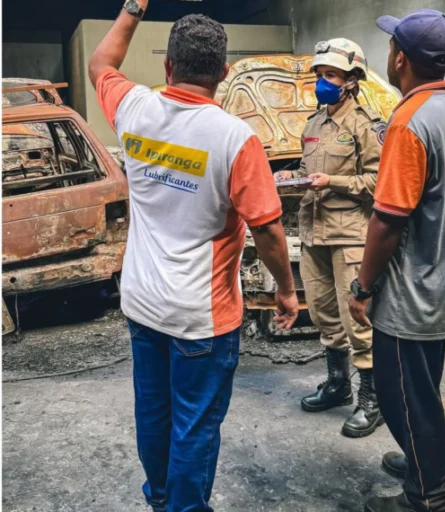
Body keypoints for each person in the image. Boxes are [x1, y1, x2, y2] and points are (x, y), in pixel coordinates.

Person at [88, 4, 298, 511]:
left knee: (154, 414)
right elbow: (267, 229)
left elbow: (100, 65)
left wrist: (132, 10)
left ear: (167, 67)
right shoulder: (234, 138)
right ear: (224, 74)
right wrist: (287, 291)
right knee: (194, 426)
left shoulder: (135, 108)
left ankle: (161, 499)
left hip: (142, 304)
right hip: (201, 318)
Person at [347, 8, 445, 512]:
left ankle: (426, 496)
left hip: (411, 294)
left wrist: (363, 287)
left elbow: (387, 219)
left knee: (403, 396)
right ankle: (422, 458)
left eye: (390, 47)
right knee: (422, 389)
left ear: (400, 58)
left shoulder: (409, 123)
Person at [275, 38, 388, 438]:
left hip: (350, 236)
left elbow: (379, 183)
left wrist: (333, 181)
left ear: (352, 81)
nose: (323, 83)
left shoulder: (366, 127)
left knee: (358, 319)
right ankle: (338, 385)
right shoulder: (313, 124)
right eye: (320, 75)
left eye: (332, 76)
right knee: (324, 315)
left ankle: (371, 400)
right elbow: (310, 172)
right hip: (314, 232)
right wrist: (293, 177)